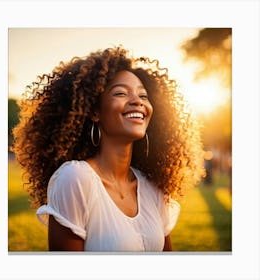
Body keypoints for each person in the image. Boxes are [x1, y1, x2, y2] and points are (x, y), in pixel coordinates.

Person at [12, 46, 204, 252]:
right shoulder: (75, 178)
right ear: (94, 111)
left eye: (143, 96)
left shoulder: (152, 187)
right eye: (121, 93)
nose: (137, 101)